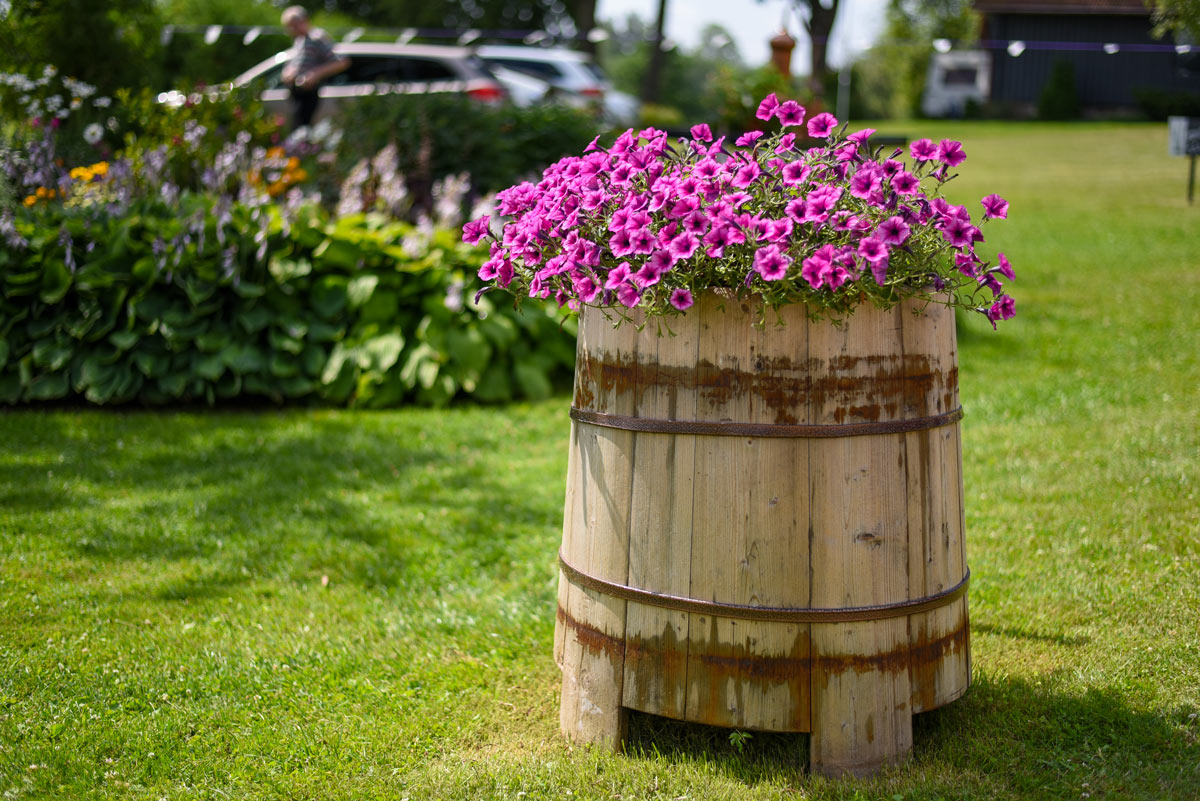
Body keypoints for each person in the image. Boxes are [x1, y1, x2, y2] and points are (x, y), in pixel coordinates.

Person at [280, 6, 349, 130]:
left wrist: (315, 73)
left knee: (301, 131)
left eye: (295, 25)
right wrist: (288, 72)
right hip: (297, 92)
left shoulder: (316, 37)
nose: (292, 30)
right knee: (297, 129)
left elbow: (341, 62)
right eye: (289, 26)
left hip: (309, 92)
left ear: (305, 20)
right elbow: (295, 64)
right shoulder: (299, 41)